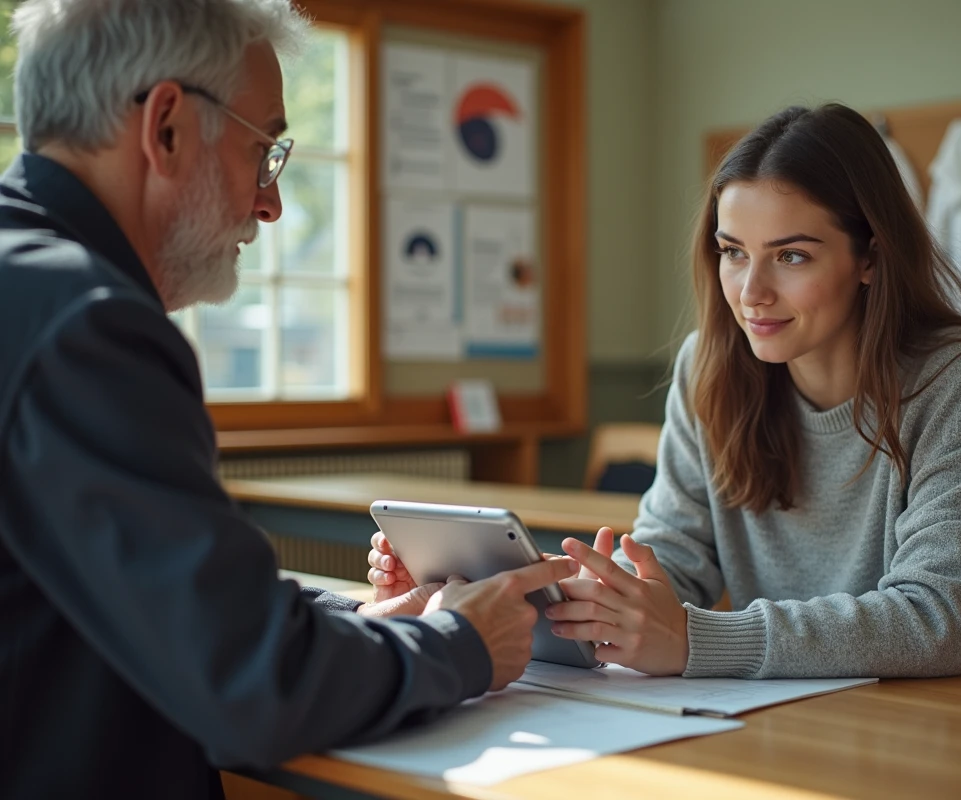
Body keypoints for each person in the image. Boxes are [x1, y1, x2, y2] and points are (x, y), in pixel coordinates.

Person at [0, 2, 577, 798]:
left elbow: (130, 594)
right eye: (261, 151)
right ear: (166, 128)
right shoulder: (85, 323)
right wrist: (464, 643)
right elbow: (255, 684)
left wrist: (339, 621)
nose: (270, 203)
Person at [373, 104, 961, 690]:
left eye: (791, 255)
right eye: (732, 252)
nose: (751, 292)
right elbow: (669, 558)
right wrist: (531, 595)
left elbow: (937, 622)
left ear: (871, 257)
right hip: (827, 711)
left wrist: (694, 639)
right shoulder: (710, 367)